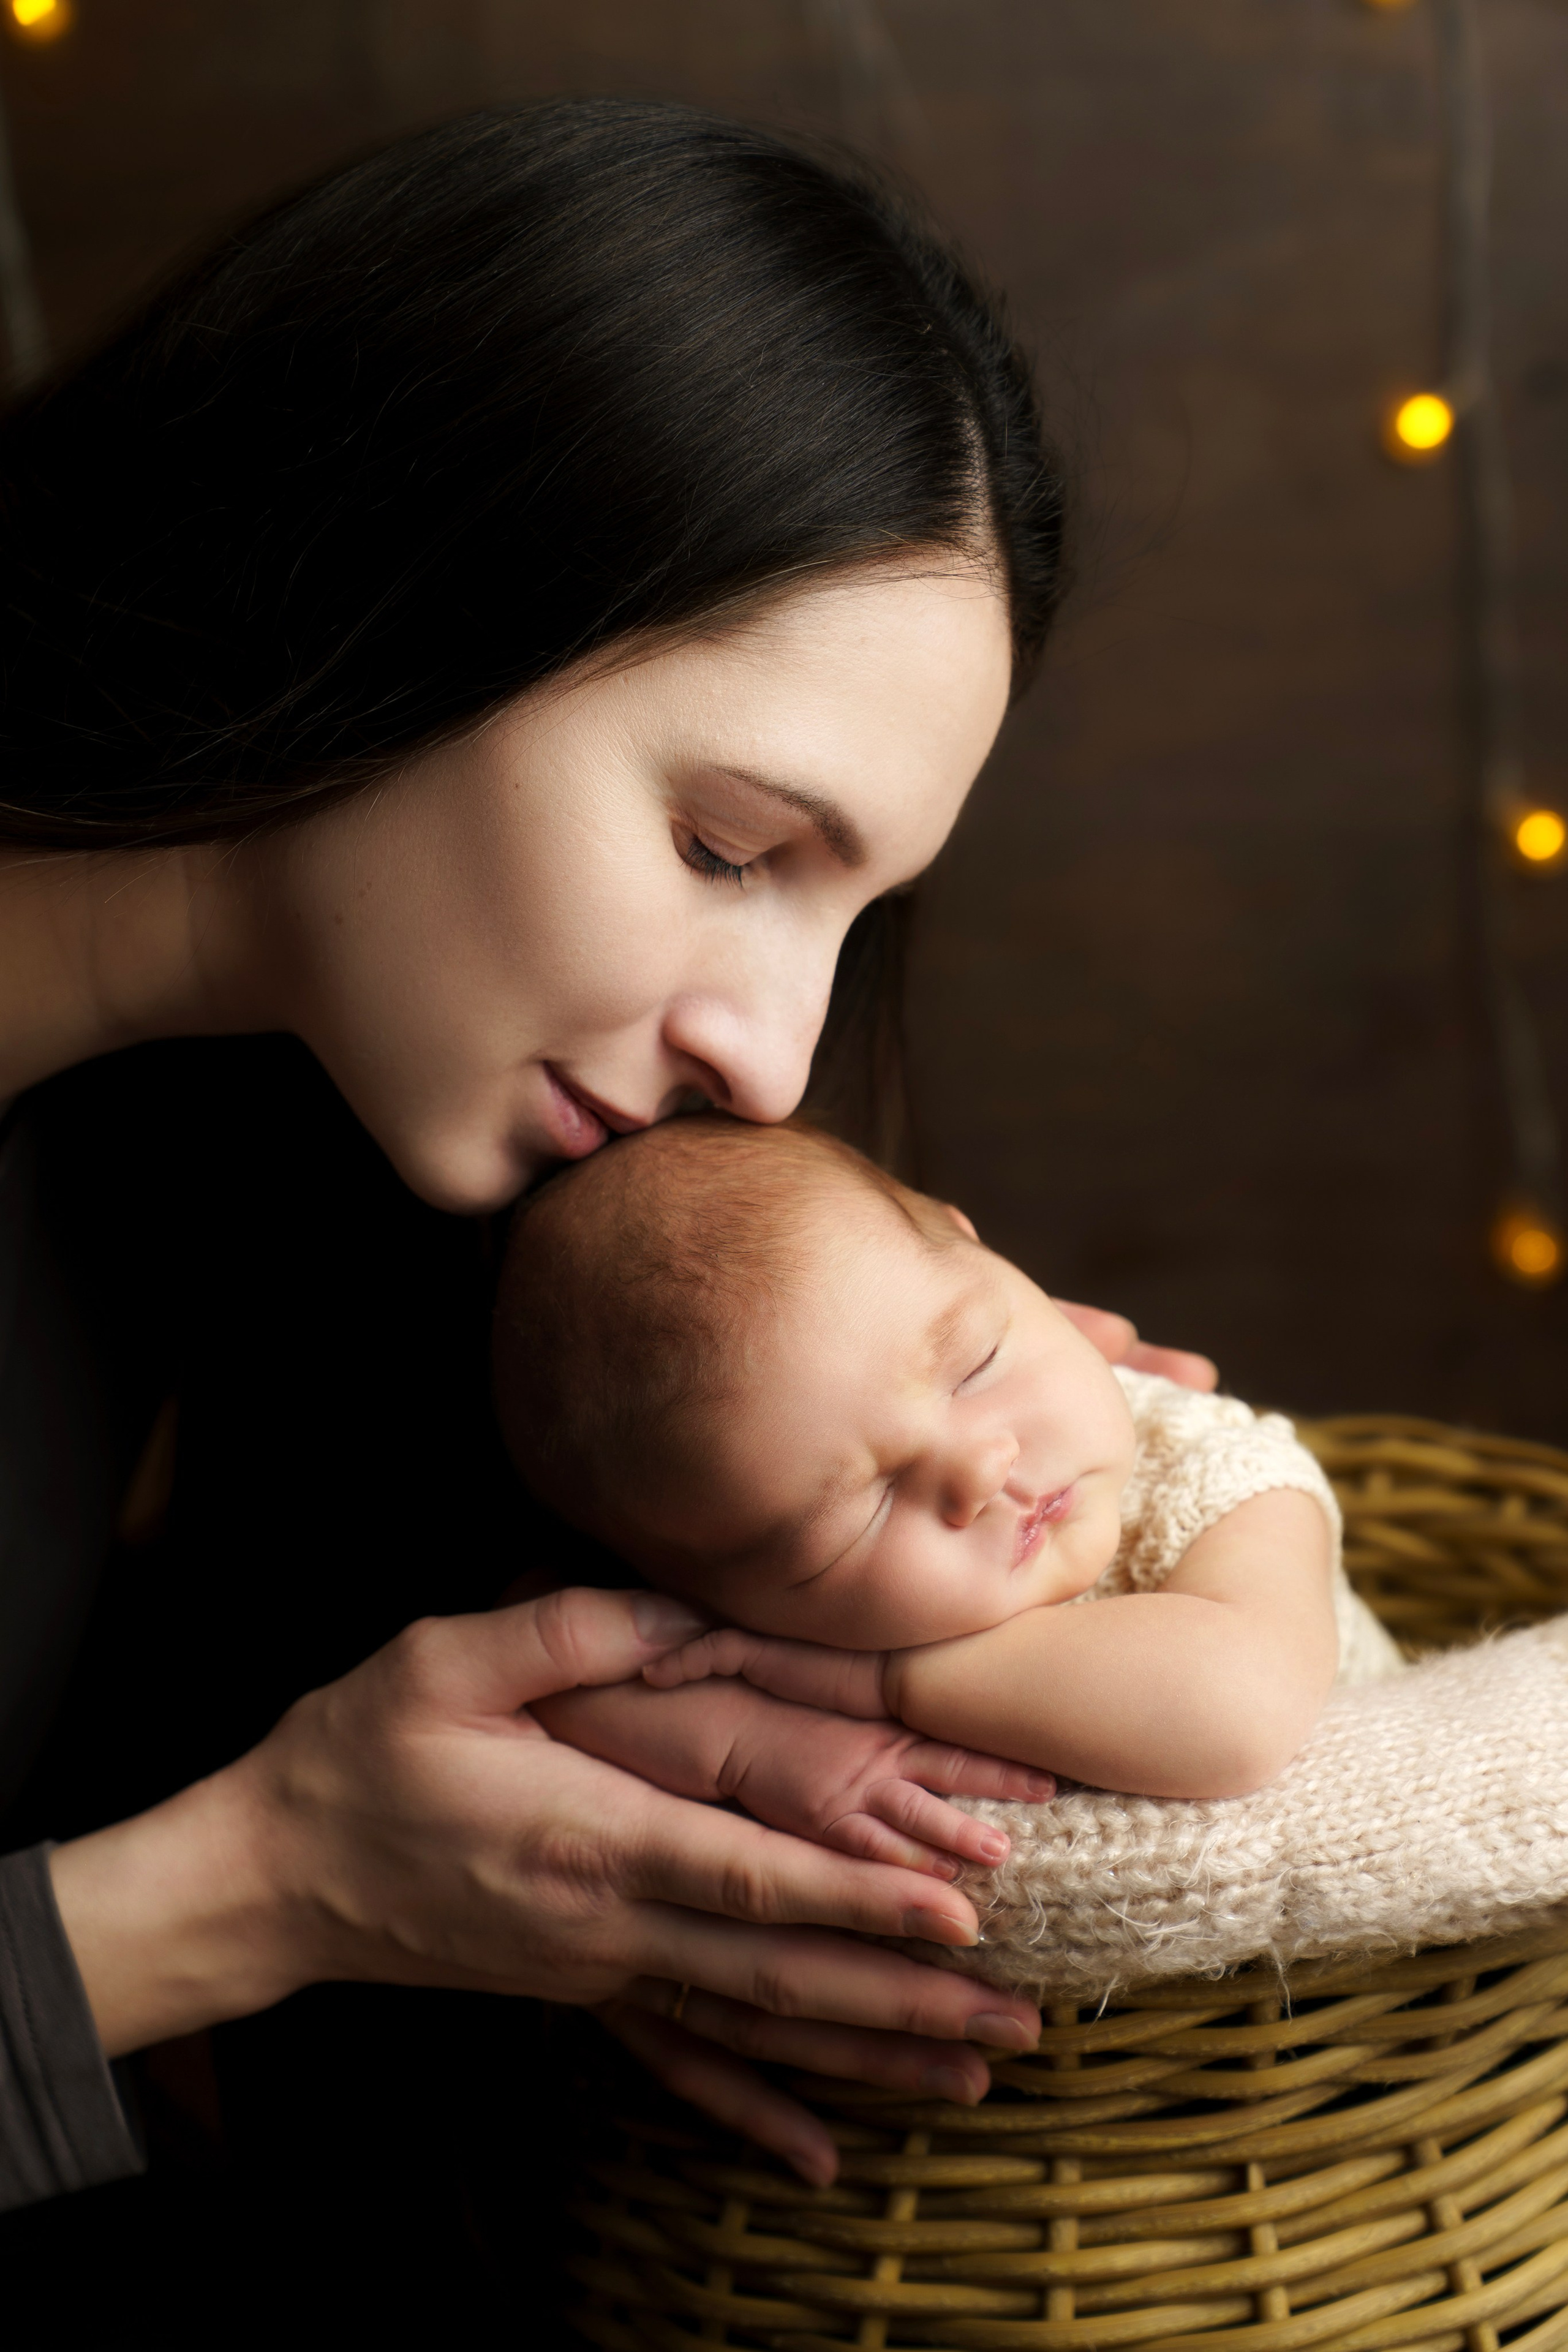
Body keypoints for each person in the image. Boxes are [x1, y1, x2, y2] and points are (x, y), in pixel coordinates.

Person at [0, 100, 1213, 2242]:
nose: (772, 1061)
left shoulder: (255, 1128)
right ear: (400, 565)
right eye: (730, 851)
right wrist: (244, 1895)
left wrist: (750, 1631)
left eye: (845, 923)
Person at [496, 1117, 1406, 1824]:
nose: (978, 1466)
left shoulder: (1216, 1471)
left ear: (1007, 1270)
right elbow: (557, 1675)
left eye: (974, 1361)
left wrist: (890, 1684)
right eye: (850, 1515)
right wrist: (728, 1739)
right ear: (718, 1595)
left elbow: (1239, 1715)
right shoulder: (767, 1623)